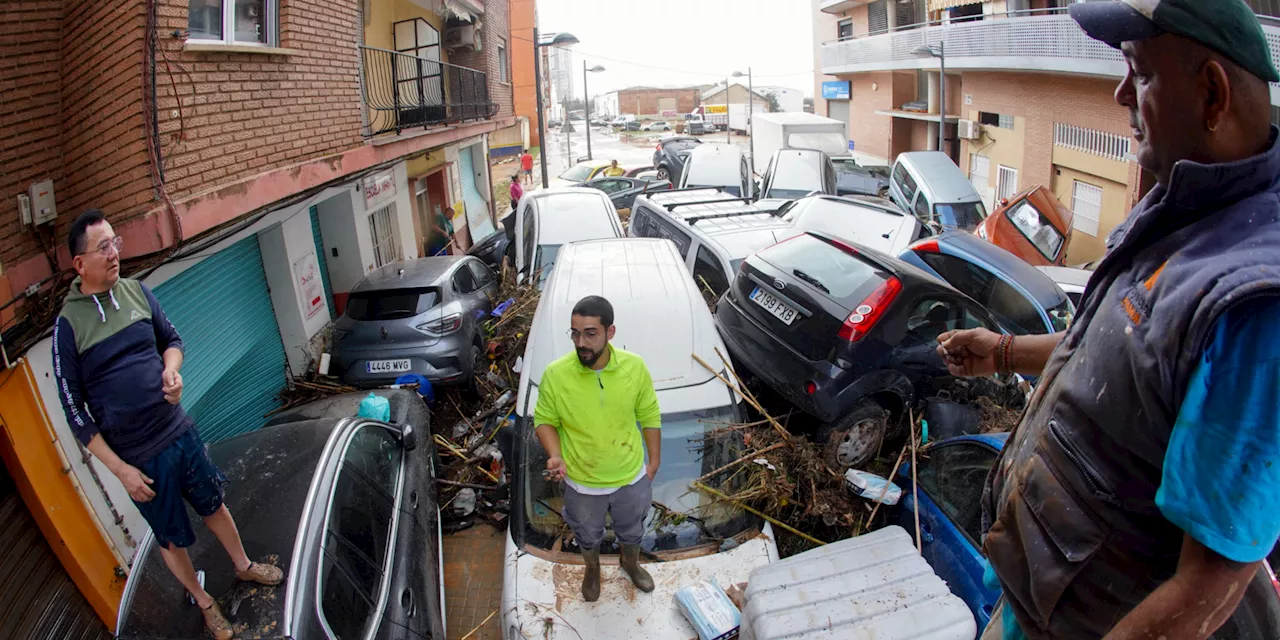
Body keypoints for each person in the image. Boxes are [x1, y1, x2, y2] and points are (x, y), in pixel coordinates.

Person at [936, 2, 1280, 638]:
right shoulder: (1181, 212)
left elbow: (1206, 589)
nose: (1121, 92)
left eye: (1142, 74)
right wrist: (1004, 352)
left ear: (1212, 93)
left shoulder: (1253, 305)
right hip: (1030, 600)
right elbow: (1124, 353)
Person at [54, 210, 283, 640]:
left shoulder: (138, 293)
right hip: (138, 460)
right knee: (172, 539)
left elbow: (172, 342)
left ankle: (244, 566)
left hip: (178, 431)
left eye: (114, 242)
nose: (114, 252)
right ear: (79, 264)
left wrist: (171, 372)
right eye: (102, 247)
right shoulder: (68, 328)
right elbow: (75, 415)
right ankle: (205, 602)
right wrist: (121, 471)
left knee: (213, 504)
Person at [533, 296, 662, 602]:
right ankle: (592, 569)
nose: (581, 343)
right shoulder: (556, 374)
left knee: (631, 531)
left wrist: (653, 463)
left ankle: (630, 563)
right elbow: (544, 421)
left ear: (610, 332)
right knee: (587, 535)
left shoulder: (635, 367)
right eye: (575, 333)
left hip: (630, 478)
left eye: (590, 333)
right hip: (582, 482)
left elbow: (649, 416)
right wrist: (555, 454)